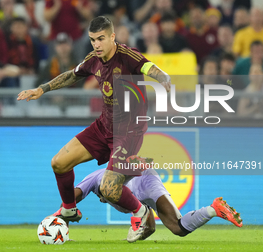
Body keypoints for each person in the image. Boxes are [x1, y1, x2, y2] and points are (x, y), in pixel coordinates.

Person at [17, 16, 171, 243]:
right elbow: (72, 75)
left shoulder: (127, 56)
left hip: (127, 132)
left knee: (109, 189)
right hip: (103, 126)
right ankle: (69, 209)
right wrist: (42, 88)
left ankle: (142, 213)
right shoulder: (93, 59)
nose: (96, 44)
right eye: (92, 40)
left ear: (112, 37)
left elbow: (148, 66)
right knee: (58, 162)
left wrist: (163, 77)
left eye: (101, 39)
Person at [71, 167, 243, 240]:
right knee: (178, 228)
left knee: (177, 227)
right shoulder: (126, 203)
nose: (106, 199)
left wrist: (62, 213)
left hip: (145, 178)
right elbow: (150, 226)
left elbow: (71, 197)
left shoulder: (95, 178)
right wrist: (138, 237)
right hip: (144, 189)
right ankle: (214, 210)